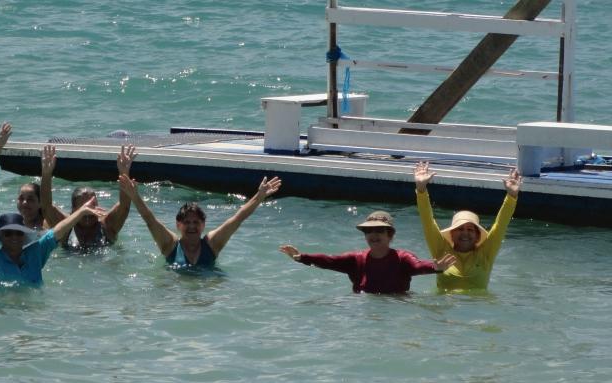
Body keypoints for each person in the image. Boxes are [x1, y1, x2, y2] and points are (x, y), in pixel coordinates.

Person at [118, 174, 282, 268]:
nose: (191, 226)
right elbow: (150, 220)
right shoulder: (170, 245)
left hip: (207, 294)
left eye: (196, 222)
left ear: (203, 225)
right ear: (178, 225)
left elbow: (238, 218)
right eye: (187, 222)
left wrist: (259, 196)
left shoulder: (212, 244)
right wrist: (135, 196)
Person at [0, 196, 102, 287]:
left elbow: (57, 231)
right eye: (8, 234)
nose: (14, 237)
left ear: (24, 235)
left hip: (28, 312)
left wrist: (80, 213)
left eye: (18, 233)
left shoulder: (36, 252)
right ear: (0, 237)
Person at [279, 211, 456, 294]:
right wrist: (301, 257)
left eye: (379, 230)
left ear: (390, 235)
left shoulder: (402, 258)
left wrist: (435, 267)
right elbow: (329, 260)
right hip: (363, 307)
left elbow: (418, 266)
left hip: (396, 307)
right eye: (368, 231)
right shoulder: (355, 260)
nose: (373, 235)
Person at [413, 161, 522, 291]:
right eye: (460, 229)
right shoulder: (441, 249)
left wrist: (511, 196)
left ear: (477, 236)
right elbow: (427, 221)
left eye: (470, 229)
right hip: (445, 308)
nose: (465, 233)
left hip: (480, 308)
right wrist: (421, 189)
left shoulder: (486, 253)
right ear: (452, 233)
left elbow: (500, 225)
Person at [40, 144, 137, 247]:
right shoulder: (65, 228)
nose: (88, 212)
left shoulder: (108, 226)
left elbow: (124, 207)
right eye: (83, 208)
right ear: (73, 210)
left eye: (91, 206)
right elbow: (46, 207)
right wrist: (46, 173)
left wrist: (124, 172)